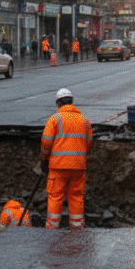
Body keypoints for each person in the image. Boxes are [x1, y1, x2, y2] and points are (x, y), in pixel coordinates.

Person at [41, 88, 93, 229]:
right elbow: (88, 144)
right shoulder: (84, 121)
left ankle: (52, 228)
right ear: (71, 102)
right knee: (76, 197)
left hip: (58, 167)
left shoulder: (55, 119)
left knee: (55, 197)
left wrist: (44, 159)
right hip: (78, 167)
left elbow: (46, 142)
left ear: (58, 103)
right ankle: (77, 227)